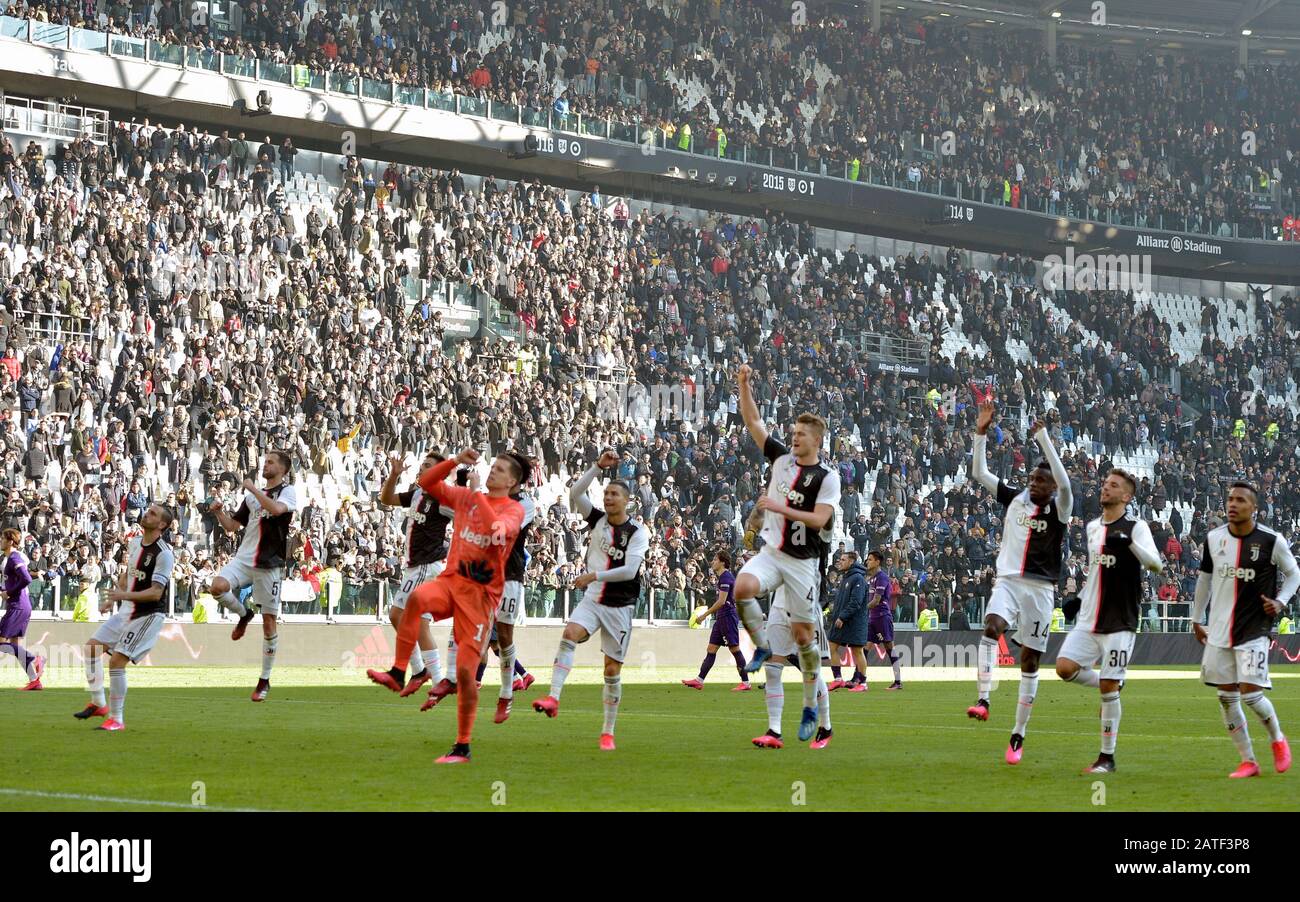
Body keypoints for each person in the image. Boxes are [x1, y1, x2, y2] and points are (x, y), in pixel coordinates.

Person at [367, 449, 528, 765]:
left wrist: (475, 493)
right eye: (491, 466)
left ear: (511, 481)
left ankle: (462, 746)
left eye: (499, 470)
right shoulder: (465, 498)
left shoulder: (513, 510)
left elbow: (497, 530)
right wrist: (454, 461)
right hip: (451, 580)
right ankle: (400, 671)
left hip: (480, 597)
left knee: (467, 673)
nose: (492, 471)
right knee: (416, 601)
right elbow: (427, 481)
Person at [732, 363, 840, 746]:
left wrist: (779, 508)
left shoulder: (827, 478)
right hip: (773, 555)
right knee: (742, 588)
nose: (793, 438)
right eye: (793, 432)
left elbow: (818, 519)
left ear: (817, 441)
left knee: (804, 644)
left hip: (802, 568)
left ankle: (819, 716)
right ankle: (774, 729)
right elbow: (754, 422)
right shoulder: (779, 459)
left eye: (801, 434)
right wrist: (745, 385)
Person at [967, 401, 1072, 766]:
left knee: (1029, 661)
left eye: (1041, 479)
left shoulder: (1060, 509)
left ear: (1052, 486)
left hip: (1041, 591)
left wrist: (1043, 438)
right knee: (991, 627)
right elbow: (979, 473)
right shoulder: (1014, 499)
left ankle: (1018, 734)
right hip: (1009, 581)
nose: (1034, 482)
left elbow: (1066, 482)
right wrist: (980, 432)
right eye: (1031, 477)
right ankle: (983, 699)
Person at [534, 450, 650, 751]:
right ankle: (554, 698)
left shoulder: (638, 532)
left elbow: (630, 571)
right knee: (570, 633)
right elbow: (575, 492)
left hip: (619, 606)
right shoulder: (597, 519)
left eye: (614, 494)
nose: (609, 497)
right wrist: (598, 466)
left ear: (627, 501)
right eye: (607, 493)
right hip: (593, 599)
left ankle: (607, 732)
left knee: (611, 670)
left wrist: (594, 576)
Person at [1055, 469, 1164, 774]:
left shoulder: (1136, 526)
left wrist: (1128, 542)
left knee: (1107, 685)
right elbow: (1096, 570)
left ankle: (1107, 758)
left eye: (1113, 485)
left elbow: (1155, 564)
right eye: (1105, 483)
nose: (1105, 488)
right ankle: (1114, 683)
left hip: (1120, 618)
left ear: (1126, 496)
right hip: (1090, 617)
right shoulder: (1092, 527)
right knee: (1065, 668)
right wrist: (1079, 598)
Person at [1191, 482, 1297, 778]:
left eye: (1240, 500)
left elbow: (1294, 573)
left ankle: (1277, 738)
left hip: (1254, 630)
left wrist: (1280, 601)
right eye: (1230, 499)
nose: (1233, 504)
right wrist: (1197, 619)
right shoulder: (1214, 538)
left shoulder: (1271, 540)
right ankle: (1248, 760)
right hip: (1219, 630)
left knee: (1251, 695)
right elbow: (1204, 579)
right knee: (1226, 697)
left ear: (1254, 508)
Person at [205, 451, 298, 702]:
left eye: (270, 462)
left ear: (283, 470)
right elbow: (233, 527)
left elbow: (278, 510)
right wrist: (218, 512)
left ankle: (264, 680)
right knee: (217, 586)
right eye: (265, 461)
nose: (264, 465)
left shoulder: (287, 492)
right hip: (244, 558)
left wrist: (254, 489)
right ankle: (244, 614)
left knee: (269, 623)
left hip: (270, 564)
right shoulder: (251, 497)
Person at [74, 505, 175, 729]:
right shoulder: (135, 542)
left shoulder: (164, 554)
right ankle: (99, 703)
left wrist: (122, 595)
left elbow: (156, 593)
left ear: (161, 525)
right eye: (147, 511)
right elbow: (128, 573)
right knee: (91, 649)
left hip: (147, 615)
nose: (146, 514)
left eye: (153, 514)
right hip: (126, 609)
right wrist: (114, 598)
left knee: (116, 662)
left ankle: (117, 719)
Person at [377, 451, 457, 696]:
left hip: (426, 566)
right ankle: (432, 678)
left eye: (429, 466)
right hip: (415, 566)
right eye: (423, 465)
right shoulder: (418, 494)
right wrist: (394, 474)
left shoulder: (443, 499)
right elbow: (386, 498)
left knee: (397, 614)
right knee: (417, 624)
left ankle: (425, 673)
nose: (422, 469)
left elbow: (466, 517)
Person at [681, 549, 750, 691]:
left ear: (722, 562)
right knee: (711, 648)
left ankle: (746, 682)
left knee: (734, 648)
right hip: (721, 617)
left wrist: (704, 615)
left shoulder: (726, 578)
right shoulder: (723, 578)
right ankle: (699, 680)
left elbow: (722, 601)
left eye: (715, 560)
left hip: (728, 616)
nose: (712, 562)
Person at [0, 528, 41, 690]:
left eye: (3, 538)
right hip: (21, 605)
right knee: (15, 645)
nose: (1, 541)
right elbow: (13, 582)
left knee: (1, 643)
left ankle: (33, 658)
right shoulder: (10, 559)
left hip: (18, 606)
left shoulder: (14, 557)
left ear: (10, 541)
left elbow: (26, 578)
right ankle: (34, 680)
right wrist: (4, 590)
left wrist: (9, 592)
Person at [826, 549, 869, 692]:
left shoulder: (858, 579)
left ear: (851, 562)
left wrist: (843, 616)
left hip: (854, 622)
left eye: (843, 559)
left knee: (857, 651)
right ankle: (838, 679)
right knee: (831, 646)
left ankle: (863, 683)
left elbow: (856, 602)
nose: (839, 561)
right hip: (841, 620)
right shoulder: (846, 577)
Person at [867, 549, 903, 690]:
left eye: (870, 559)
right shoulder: (872, 578)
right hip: (873, 618)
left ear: (877, 562)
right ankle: (859, 679)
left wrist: (861, 609)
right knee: (864, 647)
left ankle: (898, 681)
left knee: (889, 648)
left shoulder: (882, 577)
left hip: (882, 617)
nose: (867, 562)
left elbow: (876, 601)